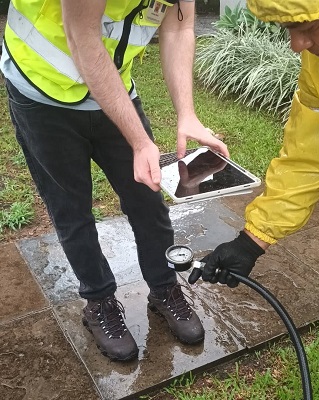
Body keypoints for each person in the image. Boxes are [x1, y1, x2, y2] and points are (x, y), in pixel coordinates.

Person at [189, 0, 319, 395]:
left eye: (305, 26)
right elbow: (310, 155)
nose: (296, 44)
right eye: (287, 28)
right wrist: (251, 241)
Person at [0, 0, 229, 362]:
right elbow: (82, 34)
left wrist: (187, 114)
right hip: (41, 89)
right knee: (71, 209)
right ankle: (99, 301)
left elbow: (179, 26)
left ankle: (164, 287)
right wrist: (139, 141)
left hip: (112, 86)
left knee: (148, 199)